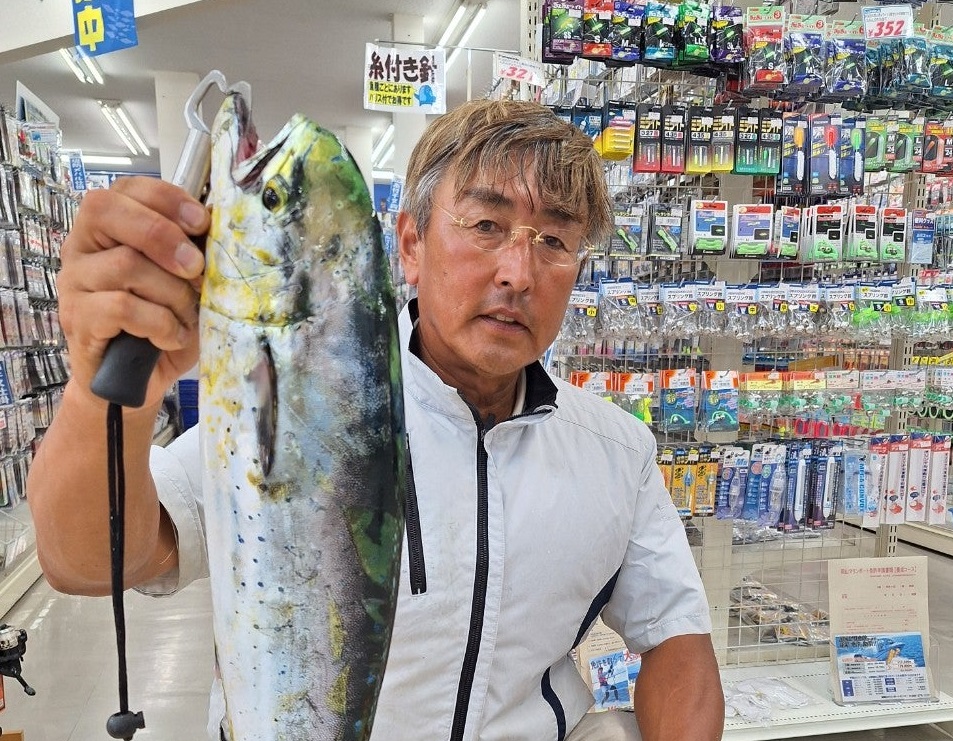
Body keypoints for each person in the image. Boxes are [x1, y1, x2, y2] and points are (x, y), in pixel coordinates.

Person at [27, 99, 724, 740]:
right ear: (411, 245)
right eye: (485, 224)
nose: (518, 270)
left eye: (552, 240)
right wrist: (103, 394)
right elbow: (85, 561)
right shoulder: (312, 408)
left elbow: (676, 635)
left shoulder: (615, 450)